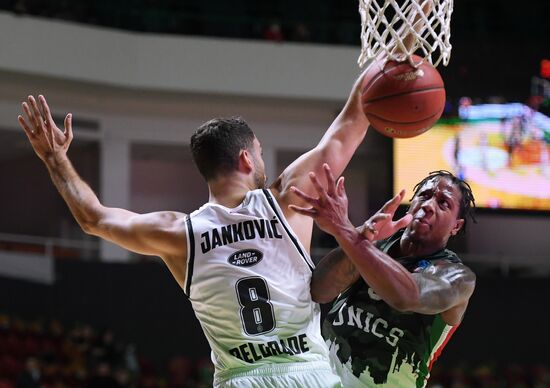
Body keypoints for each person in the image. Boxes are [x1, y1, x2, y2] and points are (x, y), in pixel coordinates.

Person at [17, 67, 370, 387]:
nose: (262, 160)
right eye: (259, 152)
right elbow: (349, 126)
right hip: (306, 374)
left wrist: (54, 158)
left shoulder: (180, 234)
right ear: (246, 158)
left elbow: (93, 217)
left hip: (240, 380)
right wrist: (394, 53)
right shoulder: (285, 201)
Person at [290, 164, 476, 387]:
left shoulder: (457, 276)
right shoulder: (371, 242)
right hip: (321, 377)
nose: (428, 205)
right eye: (424, 196)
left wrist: (346, 232)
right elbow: (319, 290)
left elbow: (408, 296)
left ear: (456, 226)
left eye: (443, 203)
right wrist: (360, 236)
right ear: (410, 205)